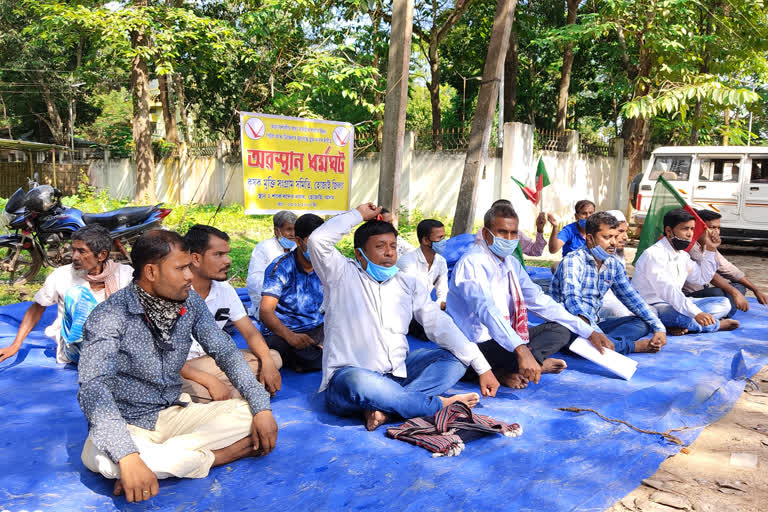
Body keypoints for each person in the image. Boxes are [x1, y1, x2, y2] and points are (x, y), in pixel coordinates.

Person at [78, 230, 277, 503]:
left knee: (249, 413)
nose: (189, 276)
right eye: (181, 268)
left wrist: (261, 406)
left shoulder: (190, 302)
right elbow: (93, 387)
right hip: (126, 423)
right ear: (150, 272)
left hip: (175, 411)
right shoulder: (110, 315)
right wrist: (127, 453)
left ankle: (150, 464)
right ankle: (220, 456)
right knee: (103, 458)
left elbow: (226, 351)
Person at [309, 203, 500, 431]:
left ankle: (386, 410)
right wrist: (358, 214)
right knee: (358, 381)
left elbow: (439, 323)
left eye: (393, 246)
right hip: (350, 379)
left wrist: (483, 367)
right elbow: (317, 241)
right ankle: (436, 405)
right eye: (380, 246)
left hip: (398, 374)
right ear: (360, 254)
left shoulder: (407, 284)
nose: (389, 252)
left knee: (457, 359)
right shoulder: (341, 274)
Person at [447, 203, 613, 390]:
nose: (509, 239)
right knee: (460, 360)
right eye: (502, 232)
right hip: (476, 342)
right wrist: (521, 349)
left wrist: (589, 331)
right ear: (486, 234)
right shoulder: (473, 262)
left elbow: (539, 300)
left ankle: (518, 367)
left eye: (513, 233)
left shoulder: (510, 263)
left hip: (506, 338)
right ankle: (518, 368)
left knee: (561, 330)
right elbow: (486, 309)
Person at [0, 224, 132, 364]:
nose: (74, 256)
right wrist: (15, 345)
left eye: (82, 251)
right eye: (73, 250)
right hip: (78, 348)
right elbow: (37, 308)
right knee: (77, 295)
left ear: (102, 255)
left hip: (115, 343)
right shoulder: (62, 275)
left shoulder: (124, 274)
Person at [181, 225, 282, 402]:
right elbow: (159, 358)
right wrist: (209, 380)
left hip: (213, 361)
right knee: (200, 390)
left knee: (273, 358)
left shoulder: (224, 290)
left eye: (227, 254)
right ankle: (241, 392)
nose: (227, 261)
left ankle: (233, 393)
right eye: (219, 255)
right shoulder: (175, 291)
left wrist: (266, 362)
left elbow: (250, 332)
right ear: (195, 259)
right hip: (180, 367)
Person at [551, 212, 667, 354]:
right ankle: (629, 346)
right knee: (574, 337)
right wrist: (595, 334)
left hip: (595, 324)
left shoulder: (613, 264)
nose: (613, 242)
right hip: (569, 325)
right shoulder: (573, 261)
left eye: (614, 237)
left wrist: (659, 327)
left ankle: (603, 345)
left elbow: (632, 298)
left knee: (642, 323)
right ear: (590, 239)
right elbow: (573, 303)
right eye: (607, 237)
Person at [633, 209, 739, 335]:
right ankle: (714, 325)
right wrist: (696, 313)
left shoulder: (683, 256)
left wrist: (710, 249)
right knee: (681, 315)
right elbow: (669, 290)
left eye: (692, 229)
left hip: (676, 303)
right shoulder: (654, 254)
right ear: (668, 231)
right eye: (685, 229)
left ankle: (677, 325)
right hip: (653, 306)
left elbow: (702, 278)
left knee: (724, 303)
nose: (690, 234)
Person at [259, 214, 326, 372]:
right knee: (301, 355)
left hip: (316, 327)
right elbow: (266, 312)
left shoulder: (327, 265)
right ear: (298, 241)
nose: (320, 248)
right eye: (314, 243)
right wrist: (290, 336)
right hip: (284, 330)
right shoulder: (281, 268)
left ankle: (317, 354)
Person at [683, 209, 767, 315]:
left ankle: (721, 313)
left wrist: (756, 290)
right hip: (689, 296)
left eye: (718, 228)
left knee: (739, 286)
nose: (716, 232)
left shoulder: (706, 245)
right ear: (699, 227)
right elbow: (711, 276)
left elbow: (729, 269)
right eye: (711, 227)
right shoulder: (689, 246)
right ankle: (722, 314)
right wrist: (735, 293)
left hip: (704, 292)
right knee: (719, 293)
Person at [246, 211, 296, 317]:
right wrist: (280, 296)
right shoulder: (264, 248)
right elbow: (254, 281)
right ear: (277, 231)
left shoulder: (298, 248)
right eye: (288, 229)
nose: (293, 234)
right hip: (271, 302)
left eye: (295, 229)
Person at [598, 210, 635, 319]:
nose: (625, 237)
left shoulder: (617, 254)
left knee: (650, 312)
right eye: (621, 231)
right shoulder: (593, 255)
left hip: (618, 299)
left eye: (626, 231)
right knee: (622, 315)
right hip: (601, 303)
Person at [491, 199, 559, 257]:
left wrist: (539, 230)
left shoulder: (517, 235)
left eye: (509, 215)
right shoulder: (483, 236)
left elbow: (536, 251)